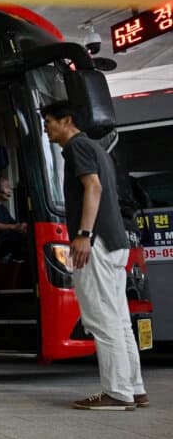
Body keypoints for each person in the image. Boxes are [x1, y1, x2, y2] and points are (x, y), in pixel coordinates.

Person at [42, 101, 147, 410]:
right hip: (115, 241)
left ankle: (116, 393)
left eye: (49, 121)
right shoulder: (99, 148)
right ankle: (134, 388)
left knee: (101, 319)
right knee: (120, 320)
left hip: (97, 243)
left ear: (67, 120)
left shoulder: (78, 148)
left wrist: (83, 235)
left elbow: (94, 188)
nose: (47, 128)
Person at [0, 177, 28, 261]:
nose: (10, 189)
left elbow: (12, 223)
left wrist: (21, 226)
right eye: (6, 187)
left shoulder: (3, 208)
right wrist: (13, 227)